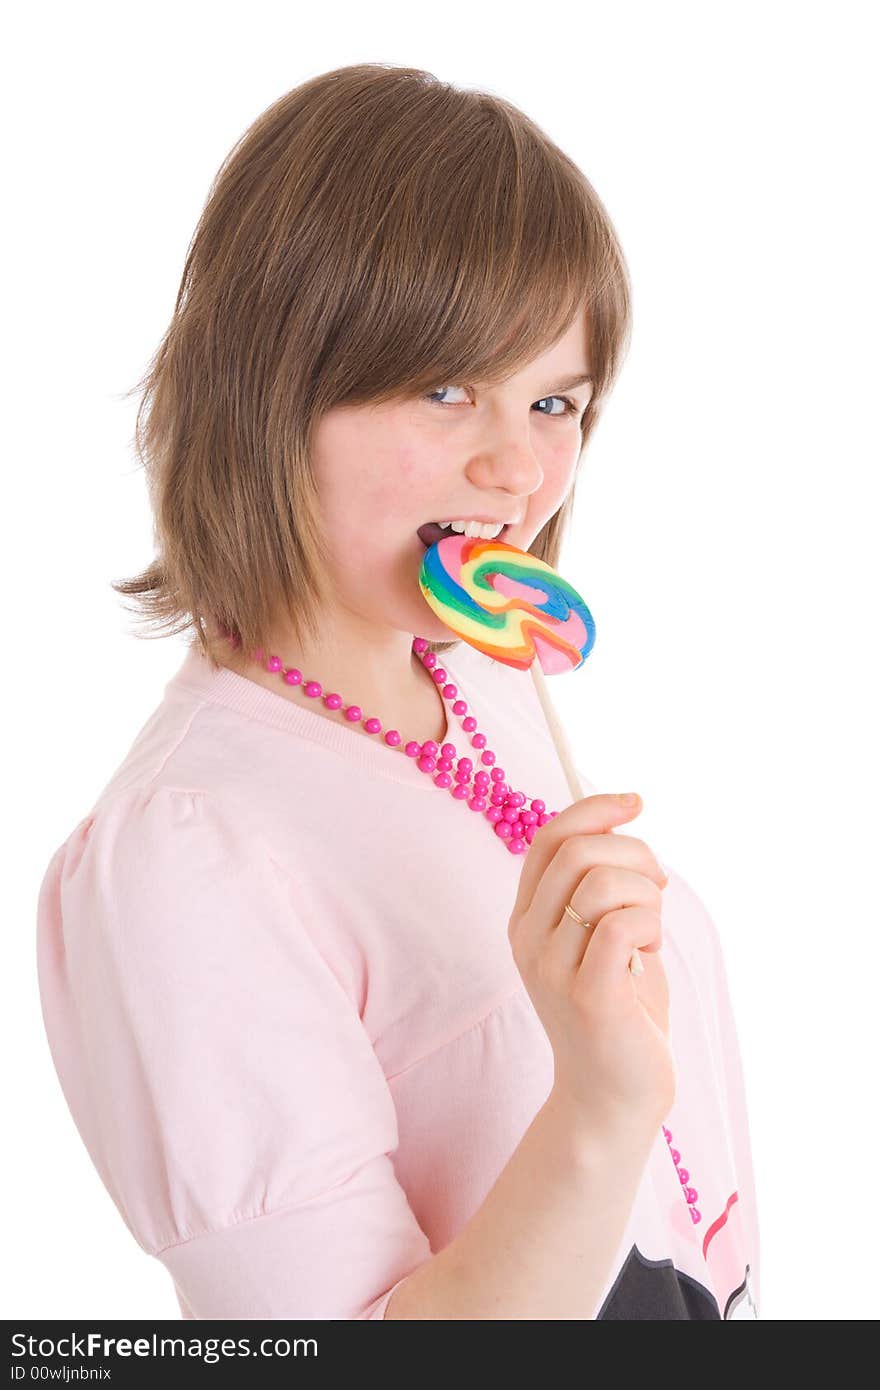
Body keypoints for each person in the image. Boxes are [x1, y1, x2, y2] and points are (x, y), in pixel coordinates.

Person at [35, 63, 760, 1320]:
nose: (517, 466)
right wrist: (597, 1101)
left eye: (553, 400)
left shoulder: (486, 674)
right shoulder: (187, 853)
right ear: (271, 385)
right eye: (444, 389)